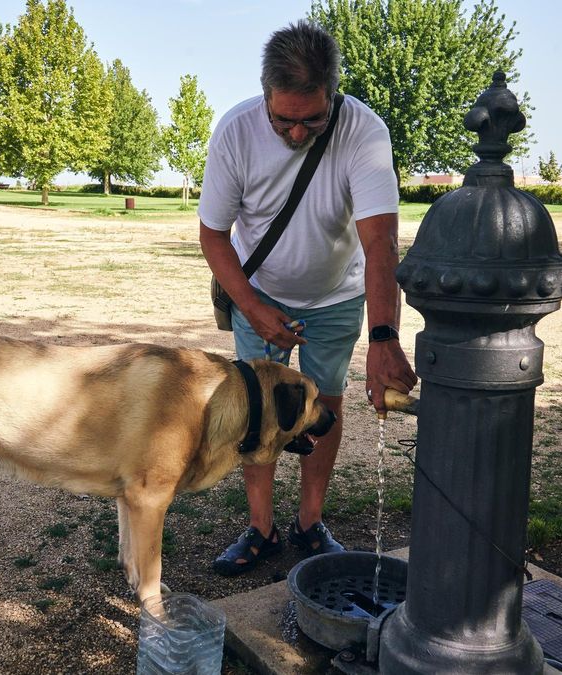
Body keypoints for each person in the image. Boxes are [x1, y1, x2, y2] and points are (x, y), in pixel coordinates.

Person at [198, 20, 417, 576]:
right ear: (266, 95)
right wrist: (250, 306)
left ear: (332, 94)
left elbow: (379, 241)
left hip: (336, 297)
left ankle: (310, 522)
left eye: (312, 120)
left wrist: (385, 337)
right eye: (285, 121)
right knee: (258, 411)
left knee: (328, 405)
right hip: (260, 291)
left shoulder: (364, 132)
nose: (298, 135)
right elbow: (213, 234)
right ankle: (261, 529)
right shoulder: (235, 132)